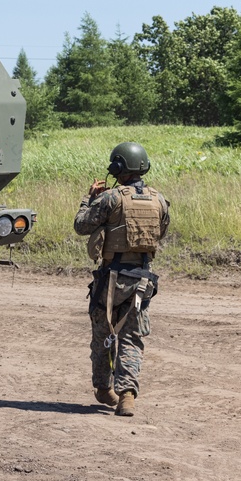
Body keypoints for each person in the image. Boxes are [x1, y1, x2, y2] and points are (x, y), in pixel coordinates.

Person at [74, 142, 170, 417]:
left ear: (118, 167)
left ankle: (104, 389)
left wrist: (88, 199)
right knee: (132, 338)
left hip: (111, 279)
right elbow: (160, 233)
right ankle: (127, 395)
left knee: (104, 334)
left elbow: (82, 226)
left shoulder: (111, 198)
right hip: (142, 280)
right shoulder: (159, 199)